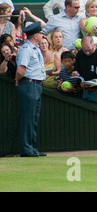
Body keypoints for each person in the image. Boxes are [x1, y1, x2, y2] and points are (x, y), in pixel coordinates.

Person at [15, 22, 47, 157]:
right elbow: (21, 70)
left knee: (34, 118)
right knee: (28, 118)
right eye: (40, 34)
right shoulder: (26, 49)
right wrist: (17, 80)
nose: (42, 36)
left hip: (37, 85)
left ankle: (32, 147)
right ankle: (26, 148)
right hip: (29, 84)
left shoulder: (36, 49)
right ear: (35, 36)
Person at [73, 36, 97, 107]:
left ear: (94, 45)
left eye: (89, 50)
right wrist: (75, 74)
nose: (87, 53)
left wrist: (94, 83)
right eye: (85, 50)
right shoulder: (80, 54)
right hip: (85, 91)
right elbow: (76, 68)